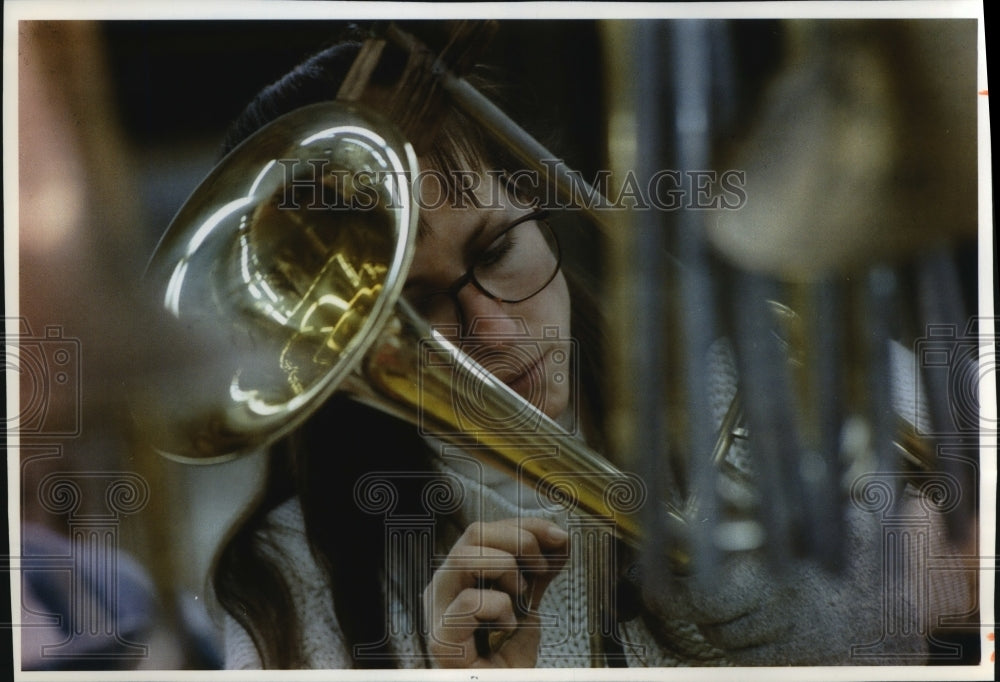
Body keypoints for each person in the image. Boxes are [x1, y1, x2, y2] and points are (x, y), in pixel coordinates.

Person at [209, 36, 972, 670]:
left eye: (500, 247)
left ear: (542, 219)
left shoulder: (799, 383)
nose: (495, 331)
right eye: (417, 304)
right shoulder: (282, 604)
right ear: (327, 352)